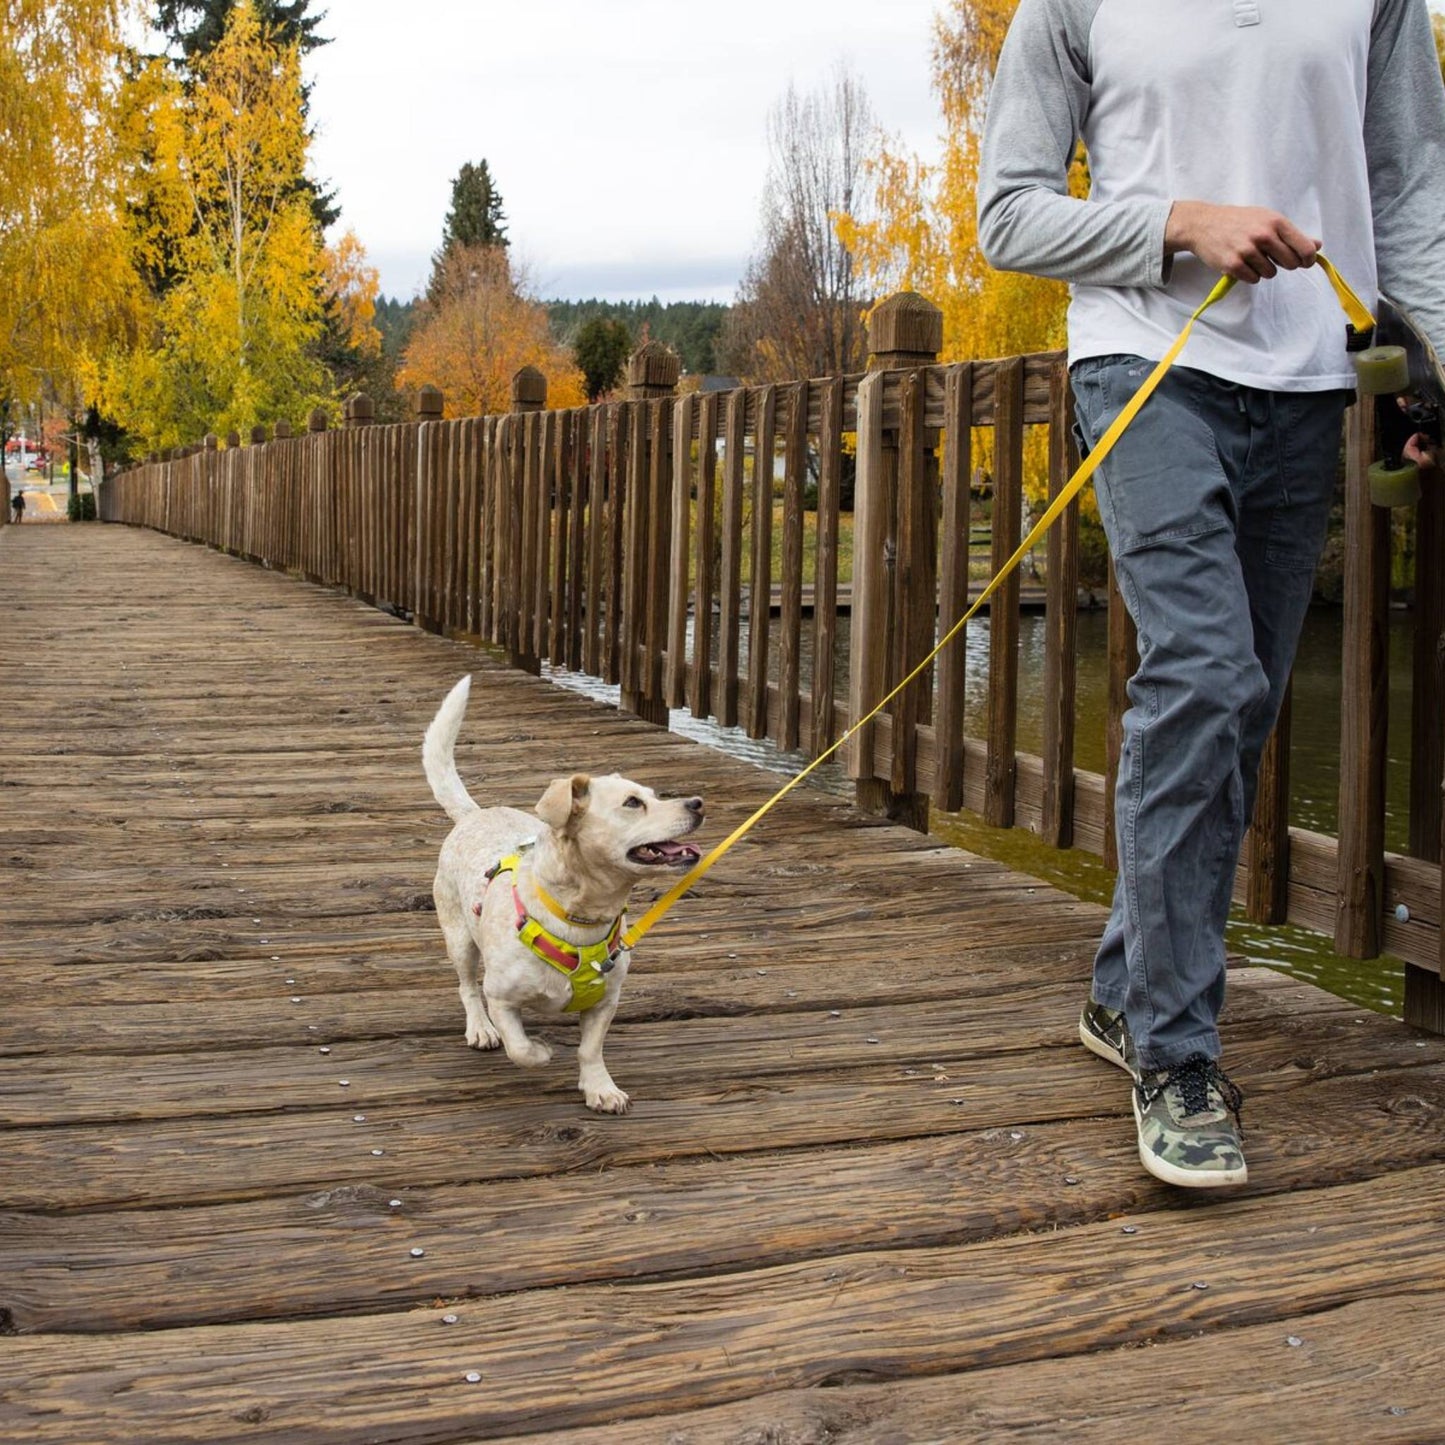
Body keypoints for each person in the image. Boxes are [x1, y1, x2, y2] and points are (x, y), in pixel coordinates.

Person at [978, 0, 1445, 1188]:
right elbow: (1007, 212)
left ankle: (1120, 988)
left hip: (1305, 383)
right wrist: (1178, 222)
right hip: (1142, 359)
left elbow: (1409, 183)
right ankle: (1175, 1052)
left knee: (1240, 705)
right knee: (1200, 671)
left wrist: (1429, 360)